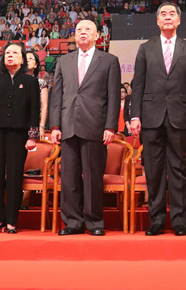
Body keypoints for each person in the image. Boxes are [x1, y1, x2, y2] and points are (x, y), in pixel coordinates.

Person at [130, 2, 186, 236]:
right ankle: (157, 220)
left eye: (172, 14)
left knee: (178, 168)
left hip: (179, 115)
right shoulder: (145, 48)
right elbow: (138, 84)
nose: (168, 17)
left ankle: (179, 220)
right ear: (157, 21)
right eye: (163, 14)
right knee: (153, 169)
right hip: (150, 115)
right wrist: (135, 115)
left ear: (179, 20)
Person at [49, 20, 121, 236]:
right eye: (79, 29)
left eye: (87, 29)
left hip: (95, 125)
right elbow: (57, 95)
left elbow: (113, 96)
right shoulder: (64, 61)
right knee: (69, 178)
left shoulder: (109, 61)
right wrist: (55, 125)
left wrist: (110, 126)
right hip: (68, 124)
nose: (82, 32)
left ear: (97, 36)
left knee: (92, 177)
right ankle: (72, 222)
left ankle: (94, 222)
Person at [0, 43, 41, 234]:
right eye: (7, 53)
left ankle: (12, 221)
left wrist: (32, 136)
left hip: (19, 134)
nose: (10, 55)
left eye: (15, 53)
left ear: (22, 59)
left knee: (14, 176)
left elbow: (34, 110)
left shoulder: (30, 81)